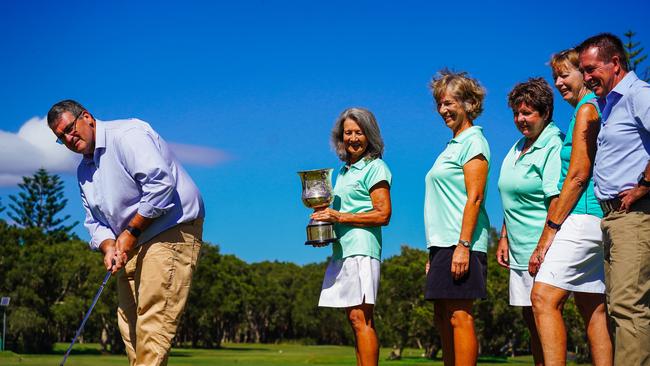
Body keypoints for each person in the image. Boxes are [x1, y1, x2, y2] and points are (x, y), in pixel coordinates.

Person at [47, 100, 205, 366]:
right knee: (130, 331)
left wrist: (130, 231)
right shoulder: (84, 171)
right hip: (129, 244)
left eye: (70, 129)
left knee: (153, 325)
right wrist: (109, 246)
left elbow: (160, 184)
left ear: (86, 117)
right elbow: (94, 221)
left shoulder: (128, 135)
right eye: (61, 138)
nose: (69, 138)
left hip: (169, 230)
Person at [527, 49, 613, 366]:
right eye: (556, 77)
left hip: (581, 217)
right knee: (593, 309)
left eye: (565, 74)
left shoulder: (587, 110)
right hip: (596, 220)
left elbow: (577, 176)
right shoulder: (591, 108)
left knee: (543, 298)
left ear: (584, 73)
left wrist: (549, 232)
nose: (560, 82)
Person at [577, 33, 650, 366]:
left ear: (615, 62)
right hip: (613, 219)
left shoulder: (638, 94)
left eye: (591, 69)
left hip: (634, 216)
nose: (587, 77)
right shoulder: (610, 105)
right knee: (618, 308)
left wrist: (644, 185)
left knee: (627, 307)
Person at [311, 107, 392, 366]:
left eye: (359, 132)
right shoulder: (343, 172)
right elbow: (336, 212)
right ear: (340, 137)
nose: (353, 138)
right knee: (354, 319)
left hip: (362, 249)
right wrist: (323, 223)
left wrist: (340, 217)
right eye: (348, 133)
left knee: (362, 318)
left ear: (369, 135)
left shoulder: (375, 167)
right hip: (342, 251)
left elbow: (383, 214)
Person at [424, 70, 490, 366]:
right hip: (443, 245)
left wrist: (463, 244)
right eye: (440, 104)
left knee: (459, 315)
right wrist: (433, 251)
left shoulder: (473, 142)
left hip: (461, 243)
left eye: (449, 103)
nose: (443, 110)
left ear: (468, 103)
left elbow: (474, 198)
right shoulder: (451, 146)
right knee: (443, 317)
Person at [497, 77, 563, 366]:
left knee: (545, 314)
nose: (520, 119)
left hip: (543, 246)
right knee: (529, 317)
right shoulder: (518, 146)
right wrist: (504, 236)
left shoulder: (551, 142)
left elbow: (556, 199)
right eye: (516, 113)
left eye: (527, 113)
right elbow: (512, 194)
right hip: (519, 246)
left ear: (545, 112)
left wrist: (543, 245)